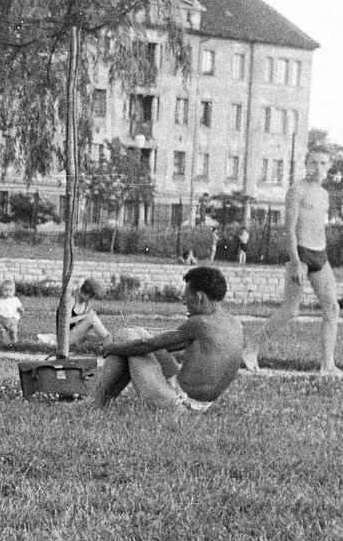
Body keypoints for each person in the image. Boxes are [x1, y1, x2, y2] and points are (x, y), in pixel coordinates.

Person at [88, 265, 243, 412]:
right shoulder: (235, 324)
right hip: (199, 404)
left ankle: (96, 401)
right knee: (137, 334)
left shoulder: (200, 323)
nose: (184, 302)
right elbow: (166, 346)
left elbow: (148, 345)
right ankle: (100, 400)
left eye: (186, 297)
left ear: (198, 297)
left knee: (125, 336)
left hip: (178, 404)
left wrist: (108, 348)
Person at [243, 148, 340, 375]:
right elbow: (289, 229)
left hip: (320, 254)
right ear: (306, 164)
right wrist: (296, 262)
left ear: (329, 166)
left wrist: (324, 253)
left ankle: (327, 365)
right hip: (300, 254)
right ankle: (252, 345)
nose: (318, 168)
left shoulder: (325, 194)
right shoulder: (296, 190)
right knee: (290, 309)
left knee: (332, 308)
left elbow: (318, 225)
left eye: (323, 163)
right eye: (313, 163)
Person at [63, 279, 111, 352]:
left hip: (76, 334)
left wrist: (88, 316)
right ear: (84, 292)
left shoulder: (87, 303)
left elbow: (83, 322)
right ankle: (109, 341)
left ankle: (108, 340)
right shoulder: (71, 299)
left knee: (92, 316)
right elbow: (65, 321)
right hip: (64, 337)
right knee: (91, 317)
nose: (90, 299)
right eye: (90, 296)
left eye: (92, 297)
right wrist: (84, 316)